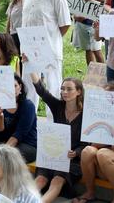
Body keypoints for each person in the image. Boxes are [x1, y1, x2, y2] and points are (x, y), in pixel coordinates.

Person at [30, 73, 85, 203]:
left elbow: (89, 143)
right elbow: (42, 91)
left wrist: (76, 152)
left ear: (78, 92)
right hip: (53, 154)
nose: (64, 92)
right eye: (62, 89)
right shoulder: (58, 106)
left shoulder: (85, 114)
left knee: (57, 181)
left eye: (69, 89)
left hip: (73, 160)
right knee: (40, 179)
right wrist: (31, 65)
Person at [22, 0, 71, 108]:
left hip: (50, 49)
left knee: (53, 87)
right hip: (29, 49)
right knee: (28, 87)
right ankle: (30, 121)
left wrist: (51, 39)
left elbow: (65, 24)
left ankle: (54, 124)